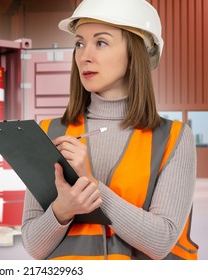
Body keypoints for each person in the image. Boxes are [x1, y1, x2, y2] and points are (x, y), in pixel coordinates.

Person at [21, 0, 199, 260]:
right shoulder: (50, 132)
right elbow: (34, 247)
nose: (84, 55)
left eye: (101, 42)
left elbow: (161, 241)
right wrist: (62, 209)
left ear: (136, 52)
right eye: (80, 43)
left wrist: (92, 187)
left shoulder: (173, 139)